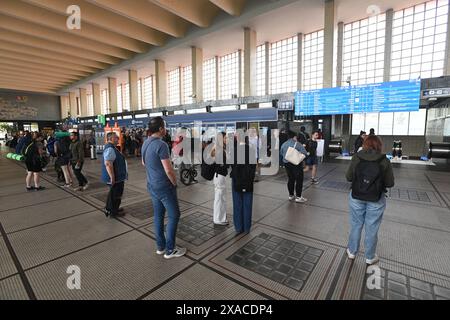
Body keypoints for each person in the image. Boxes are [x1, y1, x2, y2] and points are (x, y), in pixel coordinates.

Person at [345, 135, 394, 265]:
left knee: (356, 224)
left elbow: (348, 177)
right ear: (379, 145)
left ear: (365, 144)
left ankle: (351, 252)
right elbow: (390, 183)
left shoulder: (357, 157)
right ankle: (370, 256)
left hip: (356, 196)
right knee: (372, 227)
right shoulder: (384, 160)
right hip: (376, 198)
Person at [142, 117, 186, 259]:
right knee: (174, 215)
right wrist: (174, 183)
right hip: (164, 186)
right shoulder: (161, 145)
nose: (165, 129)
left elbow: (144, 163)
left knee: (158, 216)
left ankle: (160, 247)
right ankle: (170, 249)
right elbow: (168, 170)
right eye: (165, 127)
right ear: (161, 129)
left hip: (152, 185)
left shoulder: (146, 143)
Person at [230, 130, 257, 234]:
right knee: (247, 204)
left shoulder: (233, 150)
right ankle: (247, 228)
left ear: (238, 138)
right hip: (248, 181)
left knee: (237, 204)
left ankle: (238, 227)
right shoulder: (251, 150)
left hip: (236, 180)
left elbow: (232, 166)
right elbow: (253, 167)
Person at [102, 132, 127, 218]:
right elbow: (108, 164)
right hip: (116, 178)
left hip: (117, 177)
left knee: (114, 194)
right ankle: (113, 212)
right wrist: (112, 177)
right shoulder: (110, 148)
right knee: (115, 195)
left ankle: (113, 208)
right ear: (111, 139)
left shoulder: (112, 147)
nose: (118, 139)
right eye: (116, 138)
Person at [280, 131, 308, 203]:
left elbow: (281, 153)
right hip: (296, 164)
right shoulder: (297, 144)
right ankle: (298, 197)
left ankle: (291, 195)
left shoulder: (284, 144)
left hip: (287, 164)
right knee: (299, 180)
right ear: (294, 137)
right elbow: (305, 153)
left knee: (291, 179)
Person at [212, 132, 229, 225]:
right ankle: (218, 219)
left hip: (219, 176)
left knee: (220, 198)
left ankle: (220, 218)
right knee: (220, 198)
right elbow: (222, 165)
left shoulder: (219, 149)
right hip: (220, 176)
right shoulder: (219, 150)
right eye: (225, 138)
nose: (226, 139)